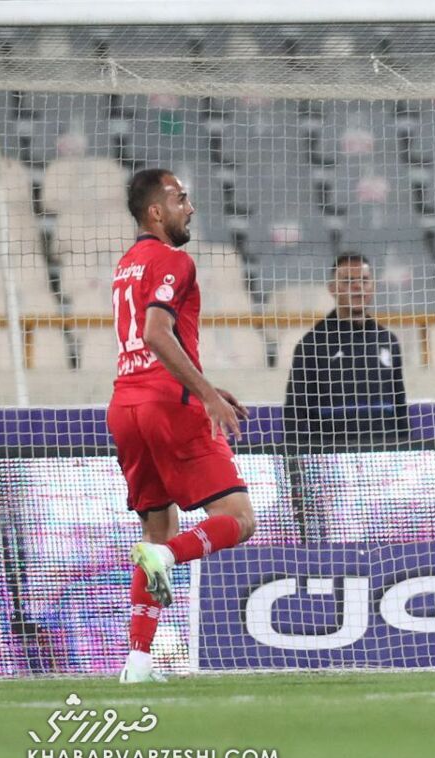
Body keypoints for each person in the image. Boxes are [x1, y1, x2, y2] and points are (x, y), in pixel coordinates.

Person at [106, 168, 257, 683]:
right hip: (167, 406)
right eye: (179, 199)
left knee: (156, 525)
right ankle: (167, 557)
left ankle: (138, 662)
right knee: (239, 518)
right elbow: (156, 331)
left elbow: (149, 340)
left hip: (124, 406)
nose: (189, 208)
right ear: (156, 212)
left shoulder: (127, 264)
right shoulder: (175, 259)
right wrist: (206, 394)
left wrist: (204, 381)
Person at [282, 253, 410, 447]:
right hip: (330, 458)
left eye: (364, 281)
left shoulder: (387, 340)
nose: (358, 287)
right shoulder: (312, 343)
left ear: (373, 287)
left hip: (383, 458)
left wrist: (404, 447)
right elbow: (295, 410)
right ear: (332, 288)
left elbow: (399, 402)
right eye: (349, 281)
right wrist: (294, 458)